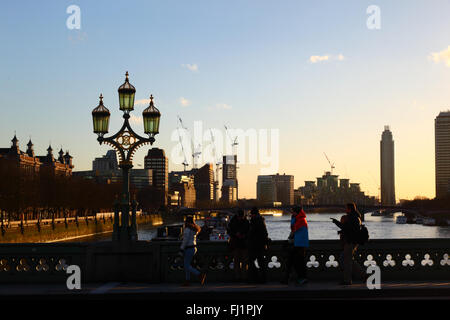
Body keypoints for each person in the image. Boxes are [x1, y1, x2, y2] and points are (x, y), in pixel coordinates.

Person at [331, 203, 366, 285]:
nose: (345, 210)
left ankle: (347, 280)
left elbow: (347, 228)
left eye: (346, 208)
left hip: (350, 241)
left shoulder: (352, 217)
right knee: (347, 259)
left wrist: (336, 222)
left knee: (346, 261)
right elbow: (349, 228)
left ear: (349, 209)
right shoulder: (355, 217)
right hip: (352, 241)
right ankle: (364, 275)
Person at [283, 206, 309, 285]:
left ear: (296, 212)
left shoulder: (301, 220)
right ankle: (289, 278)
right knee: (294, 261)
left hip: (300, 244)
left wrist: (290, 239)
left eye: (293, 211)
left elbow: (294, 230)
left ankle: (302, 278)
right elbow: (293, 229)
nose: (291, 213)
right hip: (298, 243)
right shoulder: (299, 219)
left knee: (299, 262)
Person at [179, 216, 206, 286]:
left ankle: (199, 274)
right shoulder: (194, 229)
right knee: (187, 265)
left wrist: (181, 249)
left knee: (186, 266)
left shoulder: (187, 229)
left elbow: (185, 240)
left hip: (188, 248)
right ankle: (187, 281)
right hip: (193, 248)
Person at [247, 207, 270, 284]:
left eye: (251, 214)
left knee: (251, 261)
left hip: (256, 245)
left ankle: (256, 278)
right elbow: (265, 233)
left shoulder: (256, 221)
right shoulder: (260, 220)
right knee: (260, 262)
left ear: (254, 214)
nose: (251, 216)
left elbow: (253, 233)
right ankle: (262, 278)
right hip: (259, 244)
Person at [227, 209, 250, 282]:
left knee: (243, 262)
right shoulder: (243, 222)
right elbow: (229, 231)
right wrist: (236, 234)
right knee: (238, 262)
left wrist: (243, 235)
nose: (241, 218)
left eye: (242, 216)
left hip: (241, 244)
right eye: (240, 216)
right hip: (237, 244)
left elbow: (249, 232)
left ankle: (243, 277)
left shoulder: (243, 222)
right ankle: (239, 277)